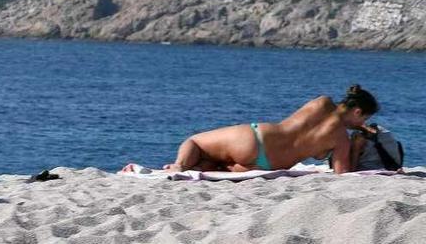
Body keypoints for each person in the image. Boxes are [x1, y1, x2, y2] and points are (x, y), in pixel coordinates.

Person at [123, 85, 379, 175]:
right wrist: (356, 146)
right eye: (363, 118)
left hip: (256, 138)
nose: (362, 123)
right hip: (269, 164)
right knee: (217, 166)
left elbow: (321, 119)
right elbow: (343, 174)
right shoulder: (342, 141)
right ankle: (190, 167)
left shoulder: (322, 102)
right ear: (358, 113)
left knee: (197, 142)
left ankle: (180, 165)